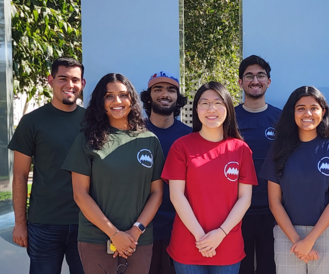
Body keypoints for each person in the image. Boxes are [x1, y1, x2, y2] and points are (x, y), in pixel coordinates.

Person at [62, 73, 164, 274]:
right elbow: (80, 195)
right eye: (109, 96)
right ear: (101, 101)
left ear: (132, 100)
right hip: (96, 240)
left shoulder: (149, 140)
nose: (117, 101)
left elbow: (157, 193)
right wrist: (114, 234)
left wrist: (135, 232)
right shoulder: (86, 140)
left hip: (139, 241)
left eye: (123, 95)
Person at [161, 81, 257, 274]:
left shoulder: (240, 149)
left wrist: (219, 235)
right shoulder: (181, 147)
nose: (211, 109)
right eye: (204, 103)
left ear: (228, 108)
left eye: (218, 103)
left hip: (227, 244)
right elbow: (176, 196)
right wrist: (201, 237)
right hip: (188, 245)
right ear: (196, 109)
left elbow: (245, 198)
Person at [260, 86, 329, 274]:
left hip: (328, 230)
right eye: (300, 108)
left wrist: (309, 241)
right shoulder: (278, 148)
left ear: (323, 111)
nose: (307, 113)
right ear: (292, 112)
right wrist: (297, 240)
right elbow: (274, 201)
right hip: (287, 233)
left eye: (314, 107)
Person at [8, 57, 86, 274]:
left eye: (75, 80)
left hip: (87, 223)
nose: (69, 85)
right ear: (51, 81)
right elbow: (21, 176)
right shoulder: (32, 122)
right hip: (44, 224)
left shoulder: (93, 122)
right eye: (63, 79)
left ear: (83, 84)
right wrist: (20, 224)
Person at [141, 71, 191, 274]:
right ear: (148, 96)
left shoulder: (190, 136)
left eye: (171, 90)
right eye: (158, 89)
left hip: (180, 229)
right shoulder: (135, 133)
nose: (165, 94)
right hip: (142, 230)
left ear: (178, 98)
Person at [235, 55, 281, 274]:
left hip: (273, 211)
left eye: (261, 75)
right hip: (236, 212)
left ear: (268, 82)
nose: (255, 80)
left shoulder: (282, 119)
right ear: (240, 82)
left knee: (269, 269)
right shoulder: (229, 119)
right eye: (249, 76)